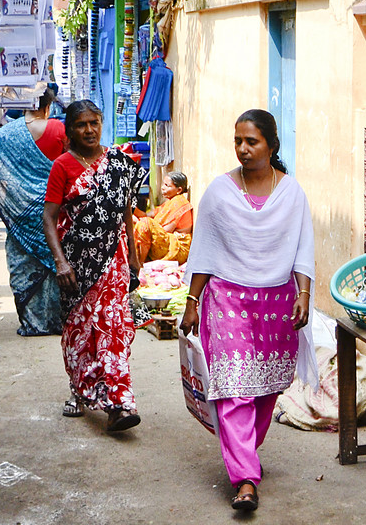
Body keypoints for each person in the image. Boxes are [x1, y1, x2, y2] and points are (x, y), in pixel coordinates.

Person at [181, 109, 317, 512]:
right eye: (238, 140)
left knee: (268, 387)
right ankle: (245, 479)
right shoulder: (220, 192)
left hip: (276, 303)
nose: (242, 149)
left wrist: (304, 294)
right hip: (227, 301)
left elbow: (303, 247)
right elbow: (204, 249)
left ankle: (244, 451)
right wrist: (192, 301)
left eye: (251, 141)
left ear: (271, 146)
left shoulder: (291, 193)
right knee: (233, 386)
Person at [42, 100, 147, 431]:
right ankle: (81, 388)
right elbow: (49, 218)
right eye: (82, 124)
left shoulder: (117, 161)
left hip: (113, 261)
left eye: (95, 122)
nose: (89, 129)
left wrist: (132, 252)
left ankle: (120, 404)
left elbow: (125, 210)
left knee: (113, 327)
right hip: (77, 264)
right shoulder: (62, 166)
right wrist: (61, 263)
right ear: (70, 130)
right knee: (80, 332)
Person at [0, 84, 67, 336]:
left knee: (24, 265)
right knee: (57, 263)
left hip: (20, 213)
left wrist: (16, 197)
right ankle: (59, 320)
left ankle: (33, 322)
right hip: (55, 209)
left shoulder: (5, 135)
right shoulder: (60, 129)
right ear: (48, 106)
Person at [133, 168, 194, 263]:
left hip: (177, 249)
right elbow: (148, 215)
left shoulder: (179, 203)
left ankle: (140, 262)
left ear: (179, 190)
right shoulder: (170, 202)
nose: (162, 187)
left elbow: (164, 230)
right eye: (163, 184)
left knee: (144, 224)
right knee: (141, 223)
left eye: (167, 185)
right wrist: (132, 209)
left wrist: (142, 222)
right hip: (167, 242)